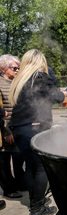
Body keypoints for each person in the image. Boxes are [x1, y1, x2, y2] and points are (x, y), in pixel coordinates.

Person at [8, 49, 67, 215]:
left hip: (19, 128)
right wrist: (66, 93)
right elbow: (55, 97)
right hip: (35, 127)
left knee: (30, 166)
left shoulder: (19, 80)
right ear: (40, 62)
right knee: (41, 167)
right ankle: (37, 208)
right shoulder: (40, 77)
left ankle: (36, 201)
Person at [0, 54, 25, 198]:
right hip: (5, 130)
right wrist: (6, 130)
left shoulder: (17, 82)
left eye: (18, 68)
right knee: (3, 161)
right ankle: (8, 189)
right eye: (14, 68)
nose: (17, 70)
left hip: (18, 128)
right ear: (3, 69)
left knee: (18, 158)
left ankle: (20, 184)